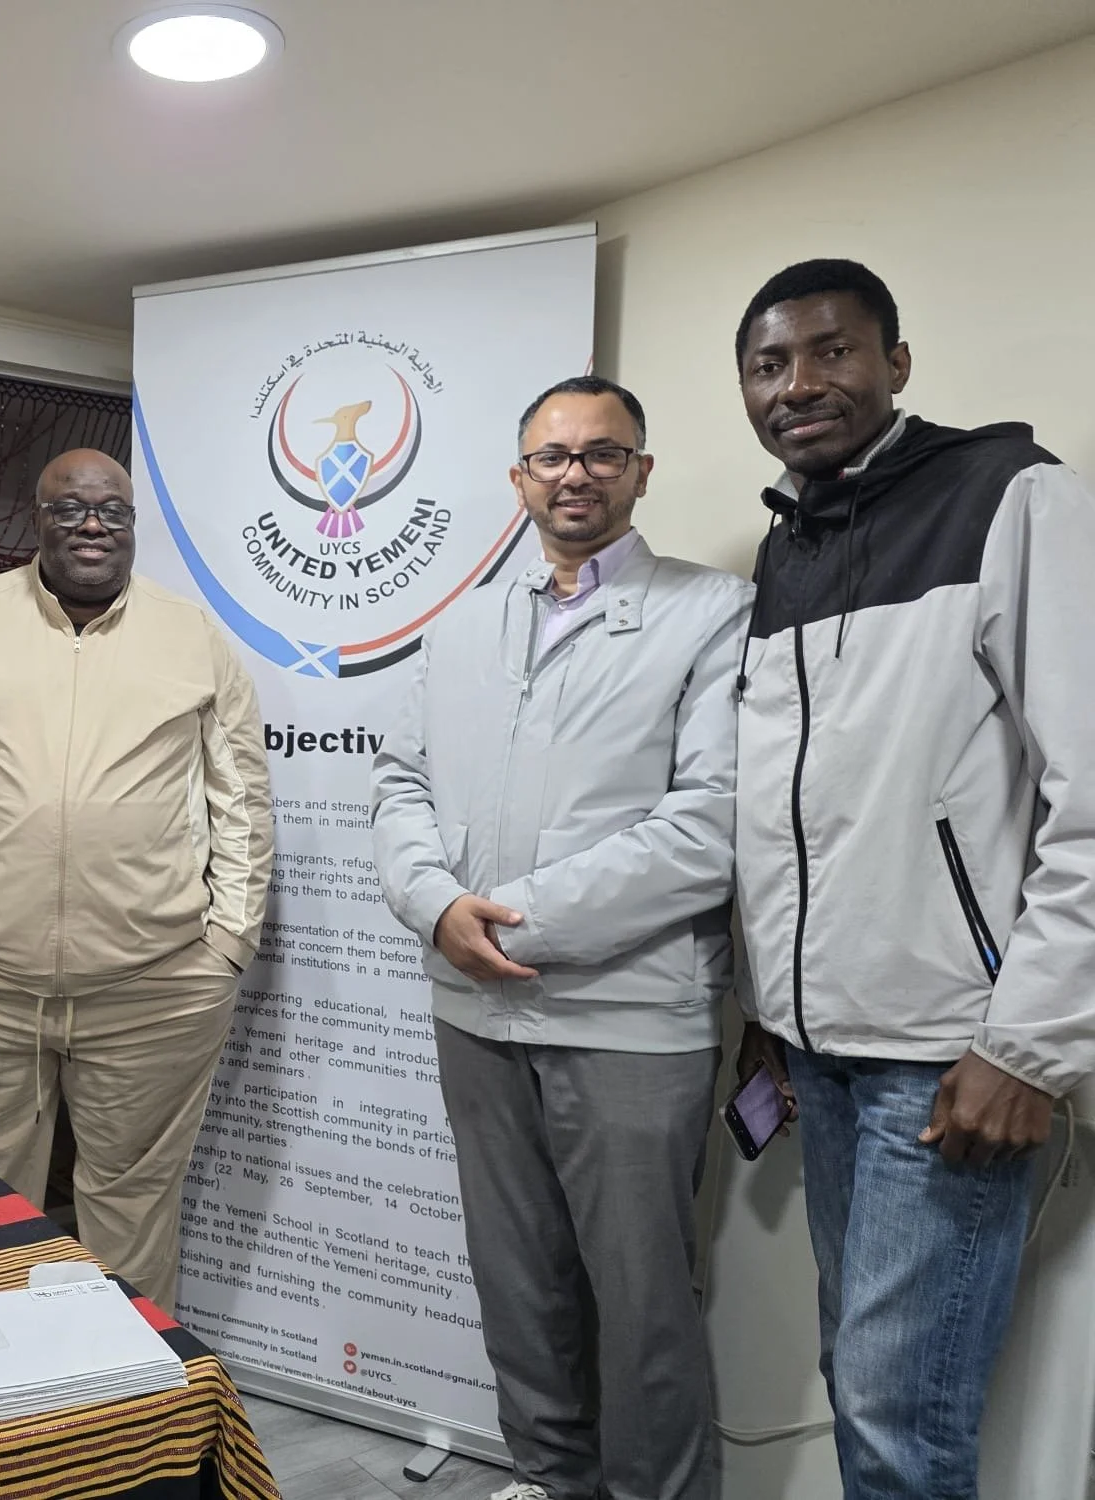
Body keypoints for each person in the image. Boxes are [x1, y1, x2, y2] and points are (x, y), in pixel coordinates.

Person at [731, 259, 1095, 1498]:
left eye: (829, 352)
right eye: (768, 365)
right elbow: (793, 817)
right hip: (818, 1054)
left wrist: (1029, 1045)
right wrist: (765, 1017)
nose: (797, 384)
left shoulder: (1012, 498)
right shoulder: (787, 548)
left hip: (946, 1062)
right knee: (866, 1382)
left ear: (894, 362)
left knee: (898, 1416)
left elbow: (1089, 795)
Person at [372, 377, 750, 1500]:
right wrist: (438, 908)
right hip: (472, 1009)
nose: (572, 473)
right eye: (550, 456)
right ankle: (547, 1478)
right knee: (516, 1279)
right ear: (517, 477)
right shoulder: (461, 622)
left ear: (639, 470)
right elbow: (398, 782)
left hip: (626, 1016)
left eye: (599, 454)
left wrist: (508, 919)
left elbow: (707, 824)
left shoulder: (710, 612)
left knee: (640, 1301)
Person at [0, 448, 273, 1311]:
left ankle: (122, 1418)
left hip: (154, 988)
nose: (92, 524)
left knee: (131, 1206)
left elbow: (240, 798)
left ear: (132, 525)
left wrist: (228, 940)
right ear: (36, 520)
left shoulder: (194, 637)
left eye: (111, 510)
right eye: (69, 509)